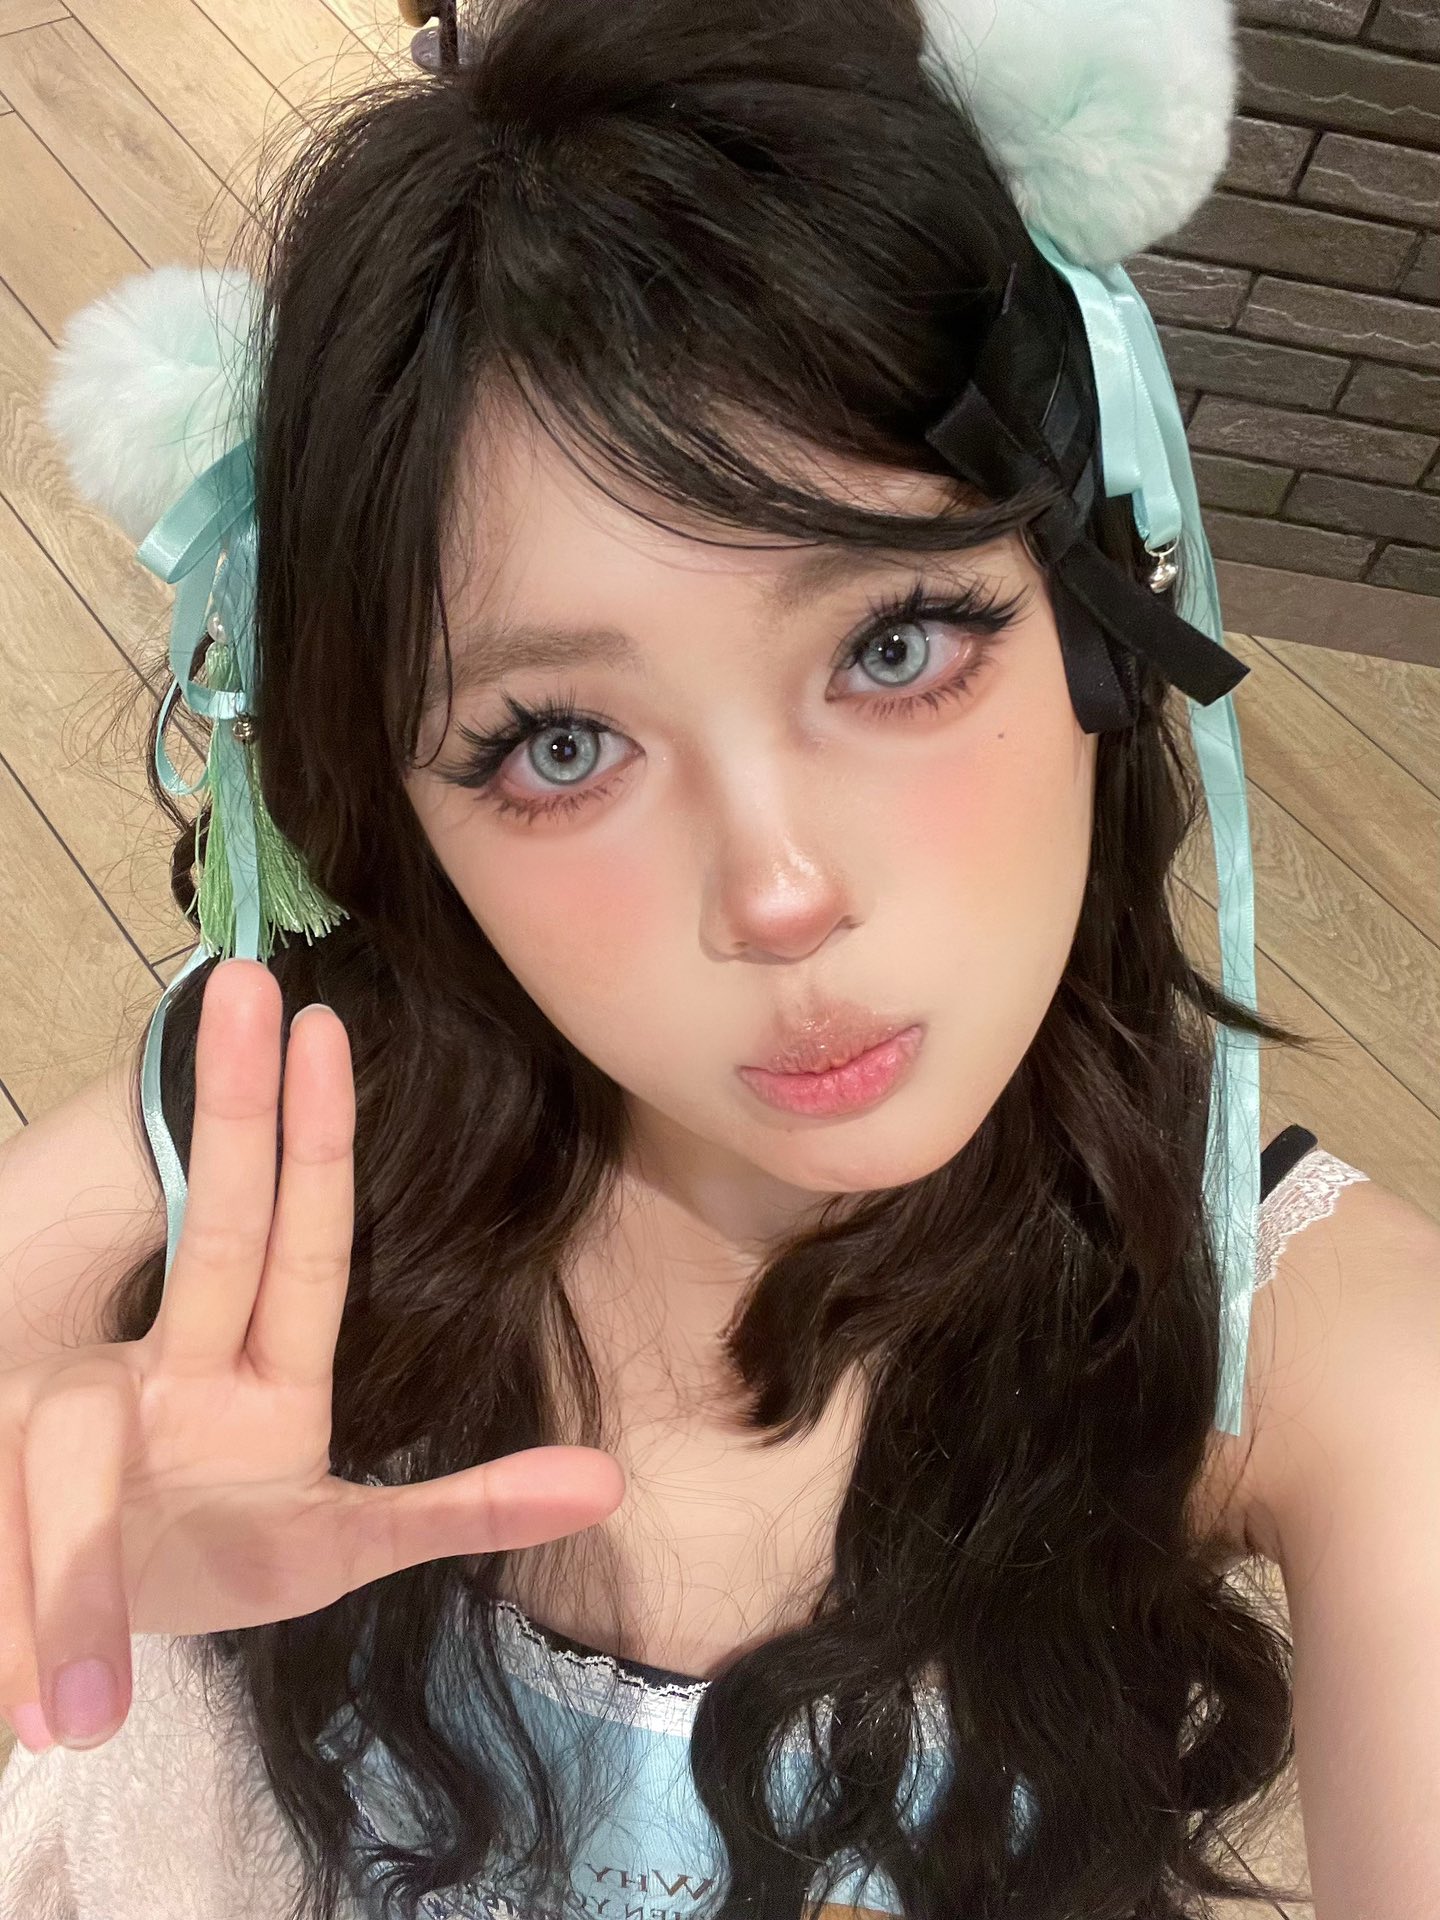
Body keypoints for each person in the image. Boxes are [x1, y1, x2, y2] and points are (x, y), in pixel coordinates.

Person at [1, 0, 1438, 1915]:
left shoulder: (1305, 1337)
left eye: (896, 645)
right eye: (560, 746)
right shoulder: (249, 1182)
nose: (777, 891)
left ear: (1103, 614)